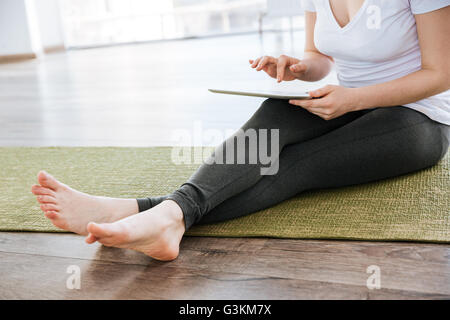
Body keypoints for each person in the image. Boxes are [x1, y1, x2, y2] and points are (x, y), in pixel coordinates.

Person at [32, 0, 449, 261]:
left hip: (418, 118)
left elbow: (441, 73)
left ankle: (136, 210)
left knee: (296, 165)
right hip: (343, 100)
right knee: (271, 118)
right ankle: (167, 219)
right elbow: (318, 55)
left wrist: (353, 99)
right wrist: (298, 67)